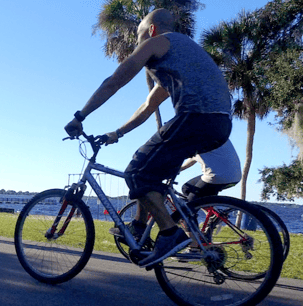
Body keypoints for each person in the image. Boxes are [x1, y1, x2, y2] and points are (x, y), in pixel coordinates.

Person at [64, 8, 232, 268]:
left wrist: (80, 116)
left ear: (151, 30)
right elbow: (147, 107)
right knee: (151, 176)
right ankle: (140, 228)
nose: (138, 42)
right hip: (220, 124)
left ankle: (170, 234)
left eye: (139, 35)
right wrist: (117, 133)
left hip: (196, 117)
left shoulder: (157, 42)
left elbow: (114, 81)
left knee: (136, 172)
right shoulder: (183, 56)